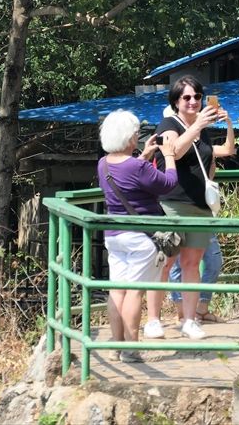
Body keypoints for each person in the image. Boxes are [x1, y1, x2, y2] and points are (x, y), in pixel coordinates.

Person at [144, 76, 234, 341]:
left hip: (200, 206)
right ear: (176, 101)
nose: (193, 101)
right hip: (173, 203)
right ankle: (152, 320)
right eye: (187, 97)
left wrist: (226, 123)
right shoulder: (168, 125)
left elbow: (224, 152)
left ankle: (190, 319)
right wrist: (197, 127)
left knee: (192, 264)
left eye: (197, 96)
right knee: (165, 262)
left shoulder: (202, 128)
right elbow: (176, 151)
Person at [96, 110, 178, 363]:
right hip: (141, 237)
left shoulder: (104, 164)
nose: (136, 136)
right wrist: (169, 156)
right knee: (134, 292)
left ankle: (116, 346)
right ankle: (132, 349)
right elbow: (168, 183)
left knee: (117, 291)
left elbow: (129, 174)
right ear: (129, 137)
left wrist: (144, 154)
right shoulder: (137, 166)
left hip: (114, 235)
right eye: (135, 134)